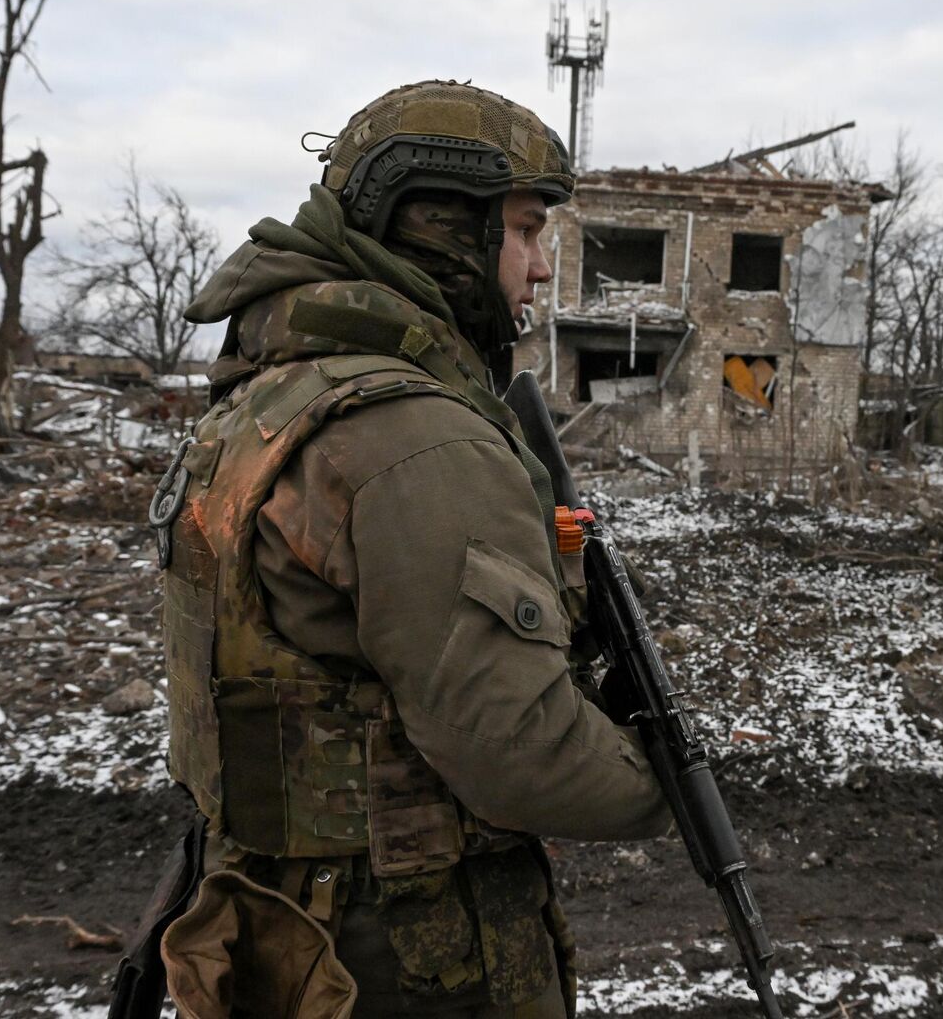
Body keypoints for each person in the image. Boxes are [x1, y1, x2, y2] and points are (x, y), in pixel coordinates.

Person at [148, 81, 671, 1019]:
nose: (543, 268)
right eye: (525, 231)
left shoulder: (266, 400)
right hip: (406, 954)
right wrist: (664, 783)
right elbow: (515, 751)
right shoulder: (418, 437)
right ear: (440, 226)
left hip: (278, 926)